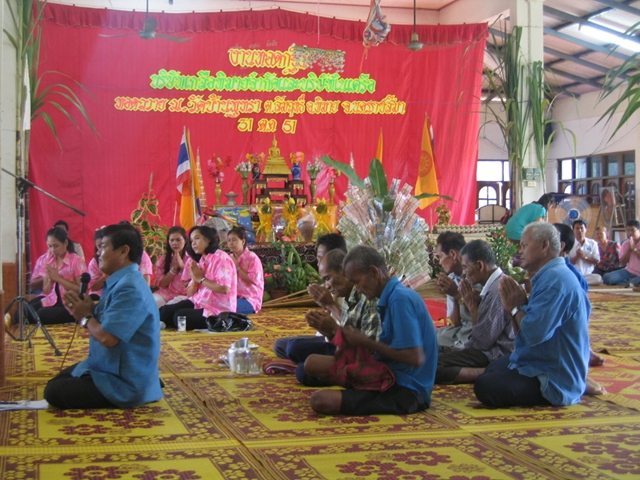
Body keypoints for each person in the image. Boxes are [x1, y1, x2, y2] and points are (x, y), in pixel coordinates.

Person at [304, 245, 437, 416]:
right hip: (388, 372)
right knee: (311, 363)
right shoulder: (390, 296)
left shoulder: (399, 299)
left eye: (357, 282)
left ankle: (364, 391)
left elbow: (415, 358)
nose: (358, 289)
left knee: (320, 401)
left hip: (407, 389)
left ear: (374, 272)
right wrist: (333, 334)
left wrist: (365, 342)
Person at [44, 223, 163, 409]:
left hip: (124, 380)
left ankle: (142, 389)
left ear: (123, 251)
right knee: (61, 379)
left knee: (54, 391)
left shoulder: (130, 287)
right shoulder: (123, 281)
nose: (98, 253)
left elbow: (108, 338)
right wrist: (91, 309)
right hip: (110, 365)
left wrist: (85, 317)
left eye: (103, 247)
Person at [474, 222, 591, 407]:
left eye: (524, 245)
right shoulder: (548, 275)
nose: (520, 251)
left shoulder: (555, 281)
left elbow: (534, 334)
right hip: (540, 359)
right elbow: (523, 333)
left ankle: (570, 387)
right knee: (492, 369)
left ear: (544, 245)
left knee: (484, 386)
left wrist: (516, 307)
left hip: (554, 375)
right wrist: (512, 309)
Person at [291, 249, 380, 386]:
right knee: (293, 347)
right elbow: (346, 336)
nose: (327, 286)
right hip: (350, 350)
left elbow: (367, 351)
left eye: (328, 278)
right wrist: (327, 330)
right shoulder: (350, 294)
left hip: (366, 361)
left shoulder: (369, 295)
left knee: (303, 370)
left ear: (343, 270)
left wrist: (331, 310)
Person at [435, 240, 514, 384]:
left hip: (494, 355)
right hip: (482, 348)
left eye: (466, 267)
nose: (464, 273)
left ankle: (488, 372)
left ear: (480, 265)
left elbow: (481, 342)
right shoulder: (494, 285)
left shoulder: (498, 290)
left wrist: (473, 308)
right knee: (432, 351)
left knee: (430, 365)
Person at [159, 226, 237, 330]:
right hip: (199, 302)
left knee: (180, 316)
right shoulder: (201, 260)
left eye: (197, 238)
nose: (193, 243)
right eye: (191, 240)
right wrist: (195, 280)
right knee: (165, 311)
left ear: (208, 239)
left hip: (217, 310)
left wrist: (201, 279)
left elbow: (224, 289)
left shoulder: (221, 258)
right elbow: (190, 293)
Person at [554, 223, 606, 370]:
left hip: (587, 276)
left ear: (560, 246)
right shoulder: (555, 270)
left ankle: (584, 350)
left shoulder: (566, 275)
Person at [28, 226, 87, 325]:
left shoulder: (76, 261)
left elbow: (81, 290)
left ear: (66, 243)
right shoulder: (49, 260)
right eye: (50, 246)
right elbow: (46, 290)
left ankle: (74, 317)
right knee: (23, 313)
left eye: (56, 246)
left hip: (69, 303)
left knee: (41, 315)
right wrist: (50, 279)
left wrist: (58, 278)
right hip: (52, 299)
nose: (53, 250)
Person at [434, 232, 475, 348]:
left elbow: (481, 320)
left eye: (441, 256)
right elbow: (456, 323)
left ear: (453, 254)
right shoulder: (452, 279)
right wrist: (454, 296)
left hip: (476, 332)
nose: (440, 262)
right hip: (462, 330)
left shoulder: (475, 275)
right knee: (434, 335)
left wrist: (457, 294)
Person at [227, 226, 264, 314]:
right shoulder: (228, 258)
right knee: (216, 306)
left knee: (228, 309)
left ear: (243, 241)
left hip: (250, 299)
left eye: (234, 240)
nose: (231, 243)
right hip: (233, 297)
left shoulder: (252, 257)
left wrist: (237, 267)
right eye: (228, 240)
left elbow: (253, 280)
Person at [153, 226, 189, 308]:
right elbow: (162, 284)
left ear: (185, 240)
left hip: (183, 296)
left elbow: (196, 280)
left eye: (178, 240)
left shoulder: (192, 258)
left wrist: (182, 266)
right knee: (154, 302)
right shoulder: (163, 259)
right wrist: (174, 269)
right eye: (172, 240)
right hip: (165, 294)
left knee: (169, 307)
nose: (175, 243)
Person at [603, 220, 640, 287]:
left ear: (639, 230)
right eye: (628, 230)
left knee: (637, 280)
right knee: (607, 278)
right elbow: (623, 263)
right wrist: (629, 250)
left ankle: (629, 283)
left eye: (633, 230)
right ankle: (631, 283)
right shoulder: (626, 243)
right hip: (628, 271)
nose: (630, 233)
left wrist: (634, 249)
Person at [569, 219, 602, 285]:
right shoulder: (569, 244)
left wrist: (584, 257)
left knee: (598, 278)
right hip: (574, 273)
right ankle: (580, 282)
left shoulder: (592, 243)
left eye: (582, 228)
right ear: (573, 230)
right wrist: (577, 256)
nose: (579, 230)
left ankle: (577, 282)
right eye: (577, 228)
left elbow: (596, 261)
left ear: (586, 229)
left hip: (587, 275)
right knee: (567, 277)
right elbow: (568, 263)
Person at [87, 228, 107, 299]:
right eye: (99, 246)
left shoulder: (119, 258)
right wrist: (106, 275)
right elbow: (93, 287)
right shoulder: (94, 262)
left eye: (104, 246)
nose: (102, 249)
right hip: (98, 297)